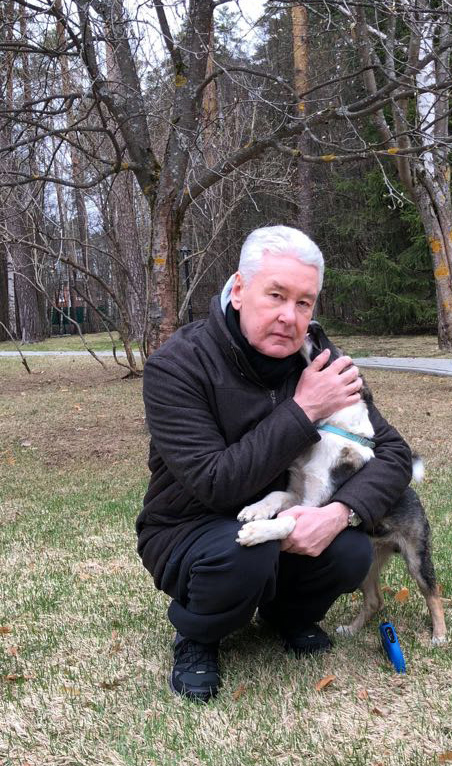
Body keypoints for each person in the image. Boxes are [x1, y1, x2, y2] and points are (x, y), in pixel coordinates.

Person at [136, 225, 413, 702]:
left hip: (282, 514)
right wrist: (304, 410)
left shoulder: (319, 357)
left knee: (351, 550)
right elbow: (215, 483)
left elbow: (393, 452)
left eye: (304, 303)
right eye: (276, 295)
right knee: (247, 551)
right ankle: (198, 633)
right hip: (187, 527)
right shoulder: (177, 365)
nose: (290, 316)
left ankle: (287, 615)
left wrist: (339, 513)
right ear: (239, 290)